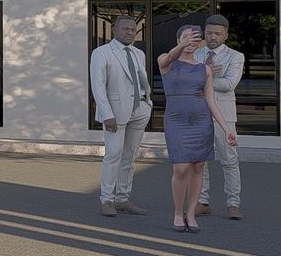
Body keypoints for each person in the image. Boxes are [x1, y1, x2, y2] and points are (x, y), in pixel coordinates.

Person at [158, 24, 238, 232]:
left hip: (201, 121)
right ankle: (178, 212)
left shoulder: (204, 69)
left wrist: (226, 128)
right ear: (178, 40)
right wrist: (182, 45)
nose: (190, 42)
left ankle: (191, 213)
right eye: (186, 38)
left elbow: (211, 101)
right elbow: (167, 60)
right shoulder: (166, 61)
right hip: (176, 120)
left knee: (197, 167)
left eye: (194, 39)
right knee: (180, 167)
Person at [89, 15, 152, 216]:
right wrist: (107, 113)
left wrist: (147, 103)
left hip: (139, 109)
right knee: (113, 155)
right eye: (125, 29)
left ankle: (123, 198)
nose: (130, 32)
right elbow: (98, 86)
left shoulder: (138, 53)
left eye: (133, 29)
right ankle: (107, 200)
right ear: (114, 30)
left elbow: (141, 81)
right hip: (115, 113)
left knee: (130, 157)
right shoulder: (102, 53)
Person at [194, 14, 244, 219]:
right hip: (197, 115)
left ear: (226, 35)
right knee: (199, 162)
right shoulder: (195, 54)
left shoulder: (235, 56)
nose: (212, 37)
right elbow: (183, 80)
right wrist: (209, 73)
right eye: (209, 33)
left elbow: (229, 84)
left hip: (224, 117)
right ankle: (202, 202)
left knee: (229, 160)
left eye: (217, 33)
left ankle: (233, 204)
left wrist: (201, 76)